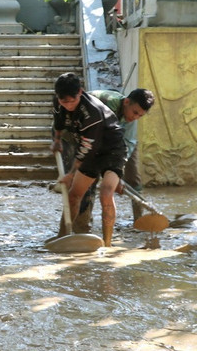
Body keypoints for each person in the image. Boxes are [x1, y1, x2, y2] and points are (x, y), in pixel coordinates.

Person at [51, 72, 126, 247]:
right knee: (73, 196)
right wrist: (56, 141)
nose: (68, 106)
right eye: (64, 101)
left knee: (106, 193)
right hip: (90, 150)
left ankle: (107, 244)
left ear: (81, 92)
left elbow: (86, 149)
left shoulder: (92, 113)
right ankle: (62, 238)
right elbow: (59, 122)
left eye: (72, 101)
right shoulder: (59, 102)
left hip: (111, 150)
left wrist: (70, 174)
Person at [71, 88, 155, 232]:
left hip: (121, 142)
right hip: (89, 136)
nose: (136, 117)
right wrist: (111, 174)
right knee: (89, 179)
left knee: (133, 178)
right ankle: (82, 226)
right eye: (135, 113)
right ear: (126, 102)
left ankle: (140, 221)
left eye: (140, 116)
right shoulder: (104, 106)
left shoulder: (131, 118)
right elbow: (96, 141)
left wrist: (117, 171)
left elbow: (127, 144)